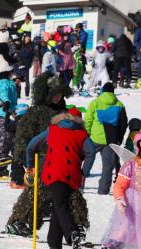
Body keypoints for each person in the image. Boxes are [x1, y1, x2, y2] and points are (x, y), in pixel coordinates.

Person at [6, 72, 85, 237]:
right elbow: (23, 137)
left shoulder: (66, 112)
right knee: (38, 191)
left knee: (70, 193)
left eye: (59, 93)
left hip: (64, 159)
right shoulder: (35, 112)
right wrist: (22, 161)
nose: (57, 97)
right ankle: (18, 221)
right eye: (53, 94)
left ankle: (74, 226)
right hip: (41, 159)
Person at [25, 106, 95, 249]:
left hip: (54, 172)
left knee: (60, 204)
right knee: (59, 204)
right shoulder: (82, 135)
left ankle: (72, 233)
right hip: (73, 174)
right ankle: (54, 242)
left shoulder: (53, 130)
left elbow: (31, 146)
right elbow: (91, 152)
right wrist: (85, 172)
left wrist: (30, 165)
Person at [85, 82, 128, 195]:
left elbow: (88, 120)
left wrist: (87, 133)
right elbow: (123, 124)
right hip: (110, 141)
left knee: (84, 160)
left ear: (103, 91)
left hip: (94, 138)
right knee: (108, 167)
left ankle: (79, 185)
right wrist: (118, 138)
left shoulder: (95, 103)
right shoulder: (119, 105)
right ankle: (103, 191)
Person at [0, 69, 18, 178]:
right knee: (5, 136)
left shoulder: (10, 83)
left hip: (10, 115)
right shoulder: (2, 82)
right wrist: (6, 101)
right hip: (2, 115)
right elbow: (2, 93)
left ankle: (11, 167)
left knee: (13, 139)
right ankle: (0, 161)